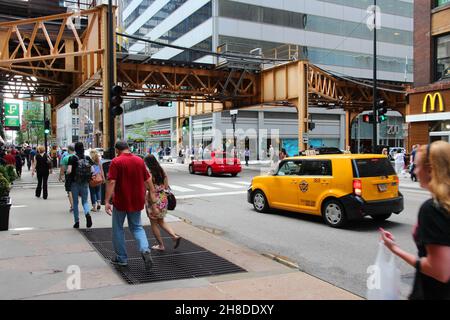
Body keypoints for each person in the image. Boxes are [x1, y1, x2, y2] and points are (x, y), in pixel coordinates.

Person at [379, 141, 450, 299]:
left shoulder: (433, 209)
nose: (415, 171)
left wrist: (395, 249)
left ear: (431, 170)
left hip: (434, 292)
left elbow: (440, 271)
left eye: (417, 166)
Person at [105, 141, 154, 269]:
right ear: (128, 148)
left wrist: (106, 201)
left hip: (121, 200)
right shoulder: (139, 160)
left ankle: (121, 258)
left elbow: (111, 182)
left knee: (118, 229)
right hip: (137, 199)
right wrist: (152, 192)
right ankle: (145, 249)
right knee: (137, 227)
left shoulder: (116, 162)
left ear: (117, 150)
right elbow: (148, 179)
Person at [144, 154, 181, 251]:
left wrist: (153, 204)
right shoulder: (162, 171)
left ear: (147, 163)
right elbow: (166, 186)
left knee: (154, 223)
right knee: (161, 220)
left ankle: (161, 245)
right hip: (163, 197)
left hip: (153, 199)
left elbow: (148, 188)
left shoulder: (149, 174)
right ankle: (174, 235)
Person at [67, 142, 92, 229]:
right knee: (85, 201)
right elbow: (92, 169)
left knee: (75, 203)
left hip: (75, 182)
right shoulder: (87, 158)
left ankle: (77, 222)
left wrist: (67, 174)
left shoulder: (72, 158)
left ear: (75, 149)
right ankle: (87, 213)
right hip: (85, 182)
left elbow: (69, 171)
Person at [59, 144, 75, 214]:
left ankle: (72, 206)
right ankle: (75, 204)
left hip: (68, 176)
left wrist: (61, 176)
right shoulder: (76, 157)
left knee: (70, 191)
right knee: (75, 191)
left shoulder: (66, 158)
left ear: (69, 150)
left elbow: (62, 169)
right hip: (77, 176)